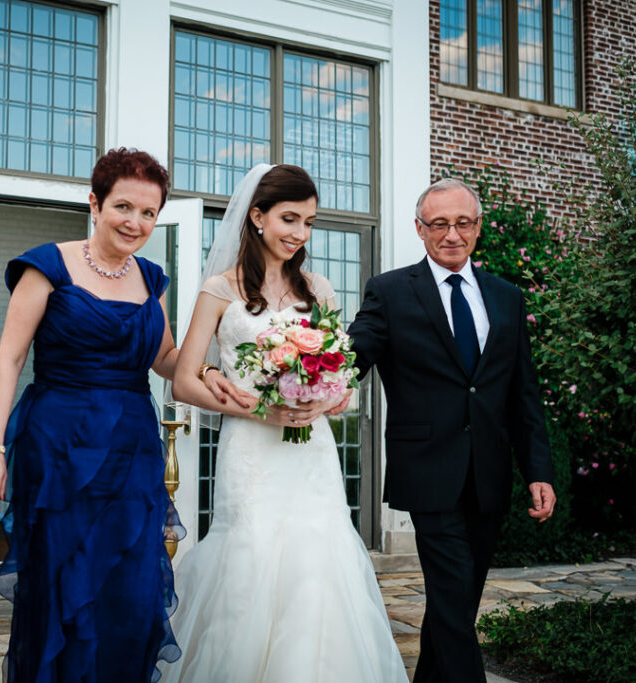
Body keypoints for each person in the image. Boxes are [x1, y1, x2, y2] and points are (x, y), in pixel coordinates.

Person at [0, 147, 248, 683]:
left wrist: (207, 371)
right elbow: (9, 359)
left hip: (132, 450)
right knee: (61, 583)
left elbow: (164, 358)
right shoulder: (46, 266)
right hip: (59, 450)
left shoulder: (151, 277)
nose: (136, 222)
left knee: (128, 583)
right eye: (124, 207)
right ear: (95, 203)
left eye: (149, 213)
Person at [159, 164, 409, 682]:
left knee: (318, 562)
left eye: (309, 222)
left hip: (310, 449)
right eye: (289, 218)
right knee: (250, 558)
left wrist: (331, 398)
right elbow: (184, 381)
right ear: (256, 217)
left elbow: (342, 376)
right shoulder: (220, 289)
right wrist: (259, 409)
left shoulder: (319, 289)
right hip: (250, 450)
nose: (299, 233)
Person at [346, 178, 557, 682]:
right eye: (438, 223)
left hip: (488, 470)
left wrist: (538, 470)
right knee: (451, 588)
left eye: (463, 223)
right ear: (420, 230)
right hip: (427, 469)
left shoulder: (506, 298)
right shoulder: (391, 291)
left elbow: (522, 392)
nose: (451, 234)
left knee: (457, 601)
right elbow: (355, 352)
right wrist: (301, 373)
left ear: (478, 227)